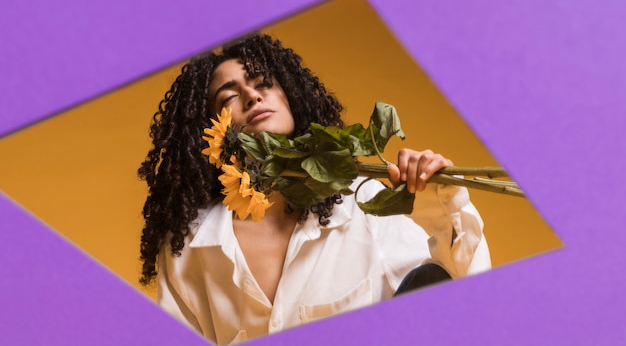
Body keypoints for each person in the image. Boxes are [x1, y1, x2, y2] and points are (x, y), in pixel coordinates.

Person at [138, 33, 491, 345]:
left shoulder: (361, 203)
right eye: (229, 97)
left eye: (263, 82)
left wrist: (436, 202)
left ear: (289, 94)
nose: (251, 97)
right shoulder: (189, 248)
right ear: (209, 128)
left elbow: (457, 298)